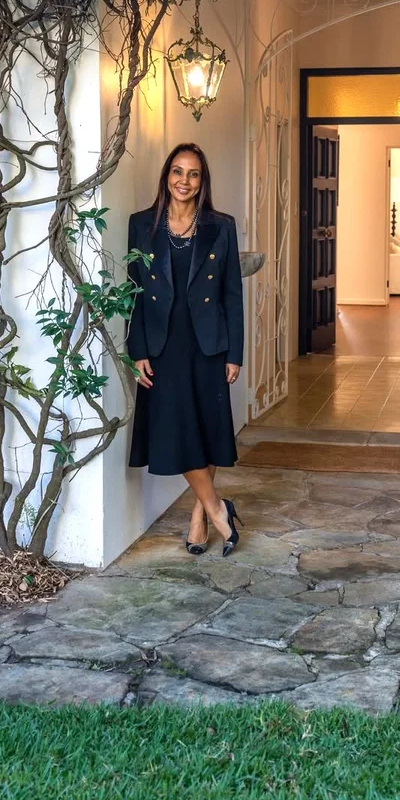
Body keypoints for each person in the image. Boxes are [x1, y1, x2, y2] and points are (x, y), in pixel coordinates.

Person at [126, 143, 244, 556]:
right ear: (166, 176)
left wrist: (235, 353)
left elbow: (232, 293)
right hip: (162, 346)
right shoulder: (141, 225)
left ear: (202, 181)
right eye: (177, 172)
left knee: (207, 428)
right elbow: (134, 293)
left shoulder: (220, 226)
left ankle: (198, 519)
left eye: (193, 174)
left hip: (208, 343)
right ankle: (217, 509)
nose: (184, 181)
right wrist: (136, 347)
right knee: (177, 428)